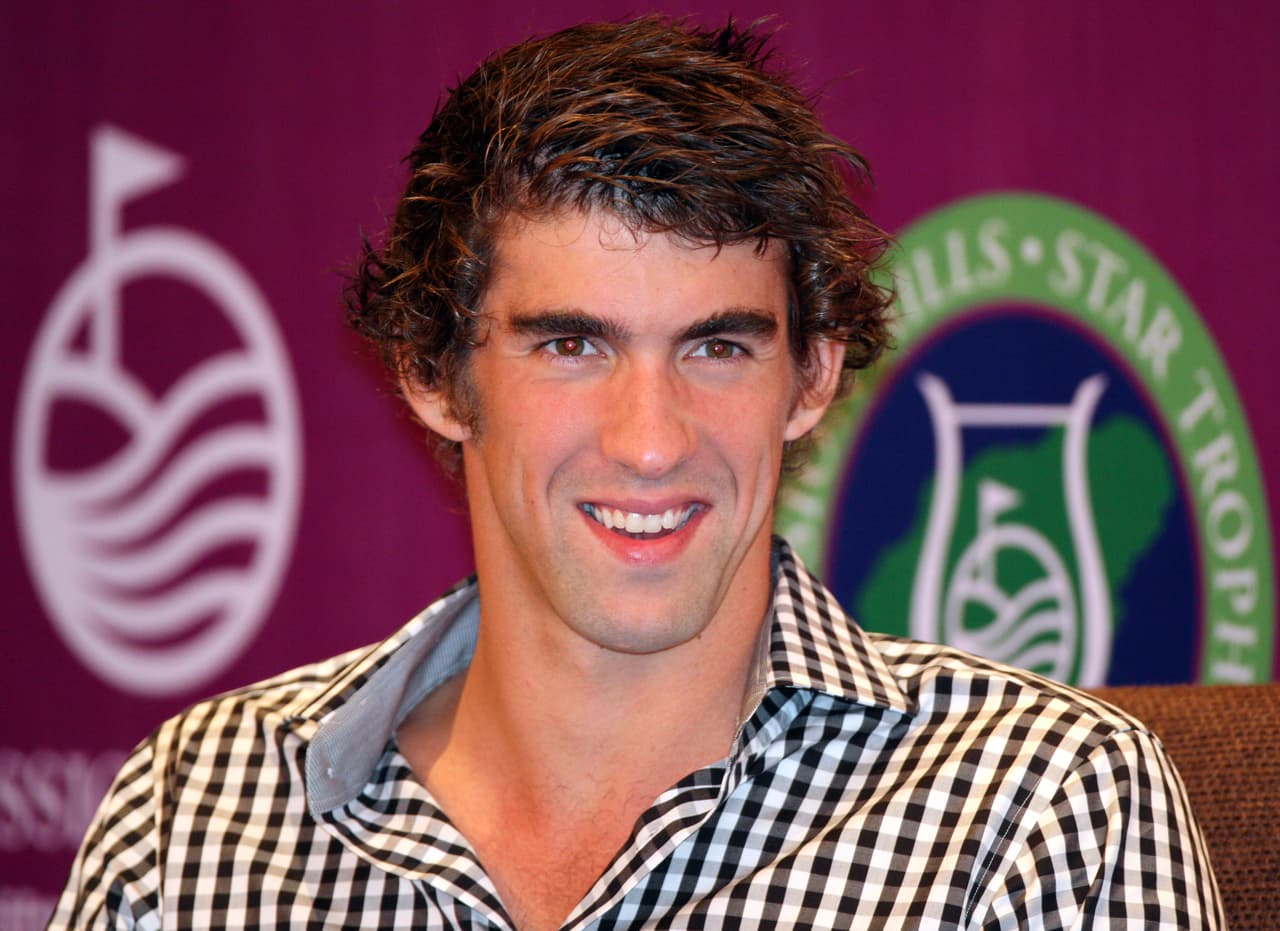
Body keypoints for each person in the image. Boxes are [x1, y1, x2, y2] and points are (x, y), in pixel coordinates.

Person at [51, 16, 1223, 930]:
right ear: (433, 371)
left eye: (717, 348)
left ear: (812, 376)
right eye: (572, 345)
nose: (651, 441)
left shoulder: (1040, 812)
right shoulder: (192, 819)